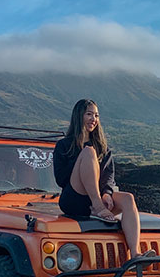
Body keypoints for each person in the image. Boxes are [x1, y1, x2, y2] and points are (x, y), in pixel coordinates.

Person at [53, 99, 142, 258]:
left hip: (100, 199)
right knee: (88, 152)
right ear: (78, 116)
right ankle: (98, 207)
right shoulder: (64, 145)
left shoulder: (102, 147)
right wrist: (81, 161)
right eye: (89, 114)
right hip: (74, 199)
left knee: (128, 199)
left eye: (96, 115)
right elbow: (60, 179)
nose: (93, 119)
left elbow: (108, 176)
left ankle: (135, 254)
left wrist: (107, 193)